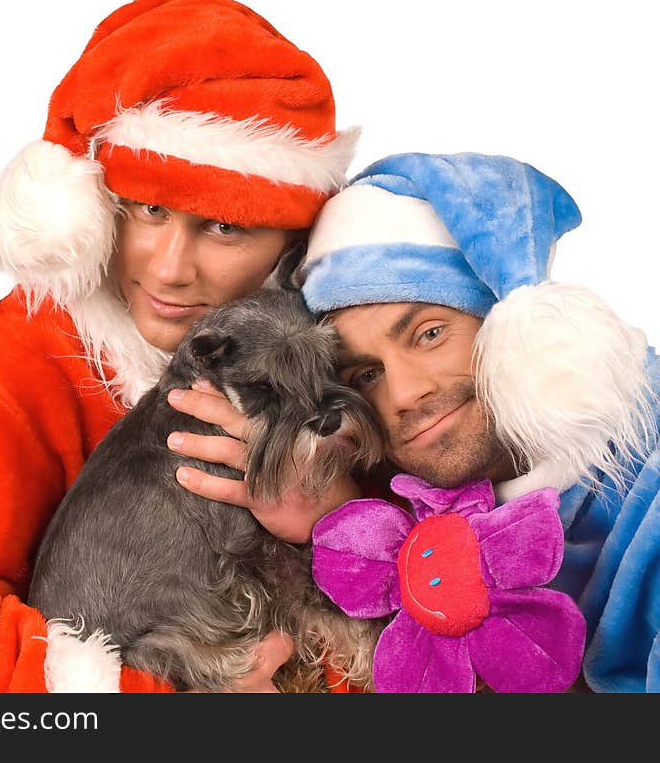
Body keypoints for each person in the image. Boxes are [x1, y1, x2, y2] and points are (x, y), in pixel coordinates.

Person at [0, 0, 360, 693]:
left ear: (292, 241)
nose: (169, 270)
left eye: (224, 226)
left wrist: (333, 524)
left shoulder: (329, 373)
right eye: (148, 210)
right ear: (96, 202)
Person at [172, 152, 659, 692]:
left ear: (508, 321)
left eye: (429, 334)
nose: (404, 394)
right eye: (365, 374)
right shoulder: (429, 507)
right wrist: (337, 522)